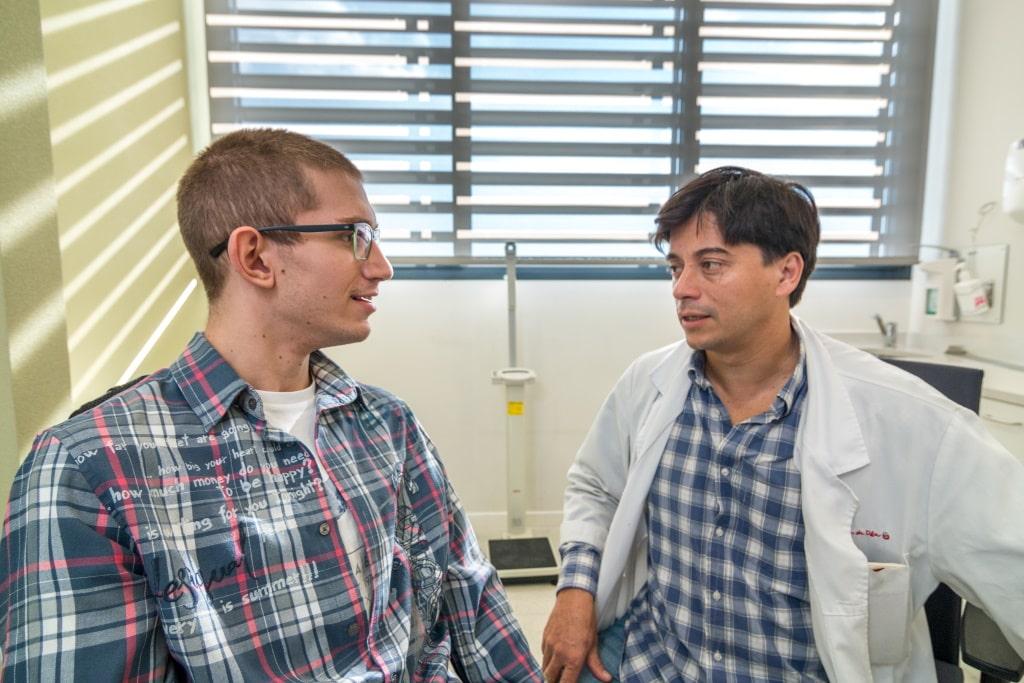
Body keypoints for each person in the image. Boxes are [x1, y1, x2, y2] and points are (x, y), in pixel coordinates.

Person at [0, 128, 542, 682]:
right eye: (354, 236)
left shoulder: (388, 425)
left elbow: (469, 598)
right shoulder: (90, 466)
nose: (381, 267)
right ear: (255, 257)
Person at [541, 166, 1024, 681]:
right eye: (676, 267)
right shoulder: (648, 384)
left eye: (711, 264)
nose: (682, 288)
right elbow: (595, 484)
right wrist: (575, 590)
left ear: (786, 273)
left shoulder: (915, 425)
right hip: (653, 662)